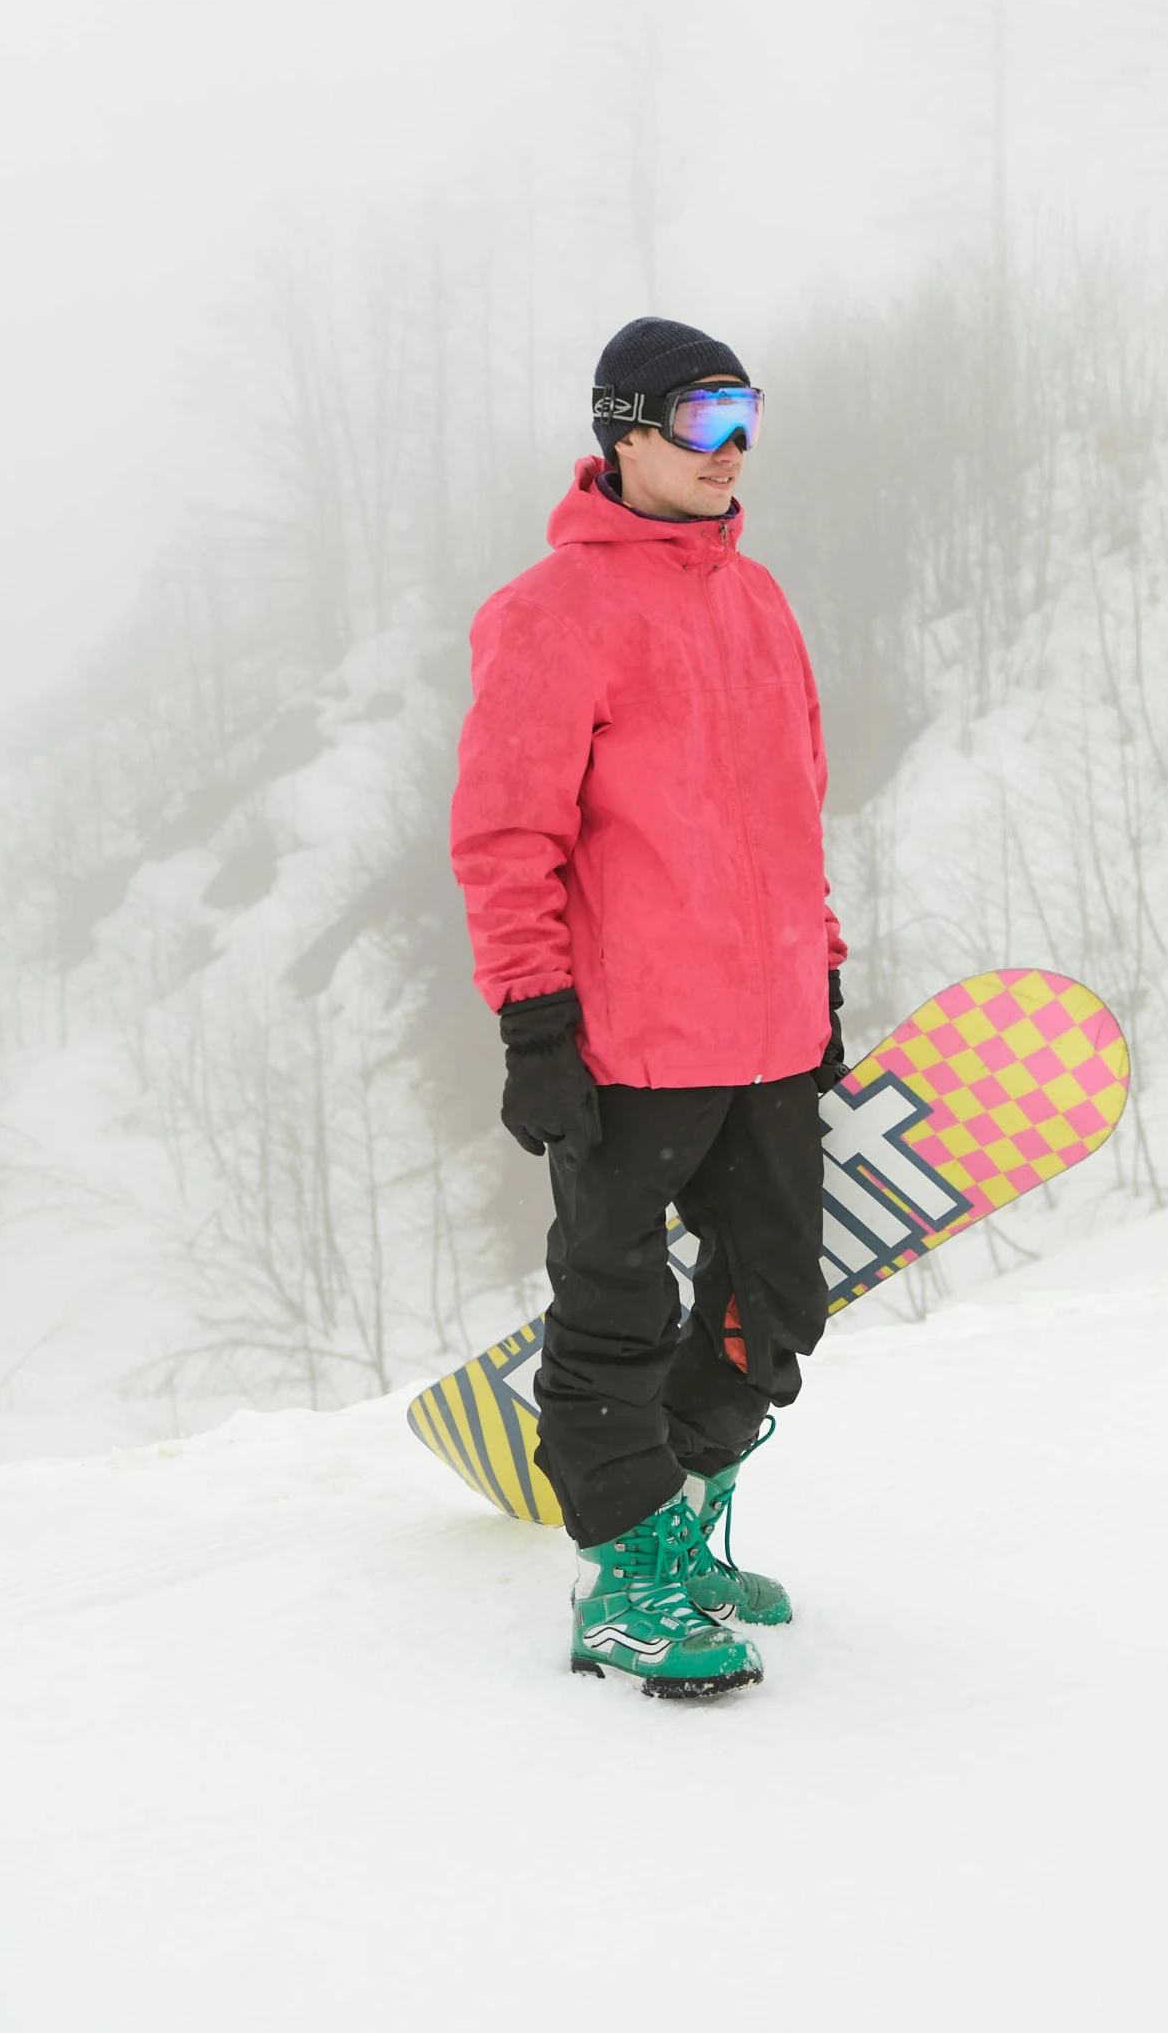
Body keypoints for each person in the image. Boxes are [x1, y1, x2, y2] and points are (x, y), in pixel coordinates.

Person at [449, 316, 847, 1698]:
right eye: (699, 418)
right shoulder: (549, 614)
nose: (730, 447)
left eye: (744, 413)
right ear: (624, 430)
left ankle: (674, 1516)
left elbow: (793, 813)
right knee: (613, 1313)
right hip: (631, 1042)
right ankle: (624, 1575)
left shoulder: (757, 600)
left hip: (768, 1031)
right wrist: (531, 1021)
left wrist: (824, 966)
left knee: (777, 1303)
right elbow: (505, 837)